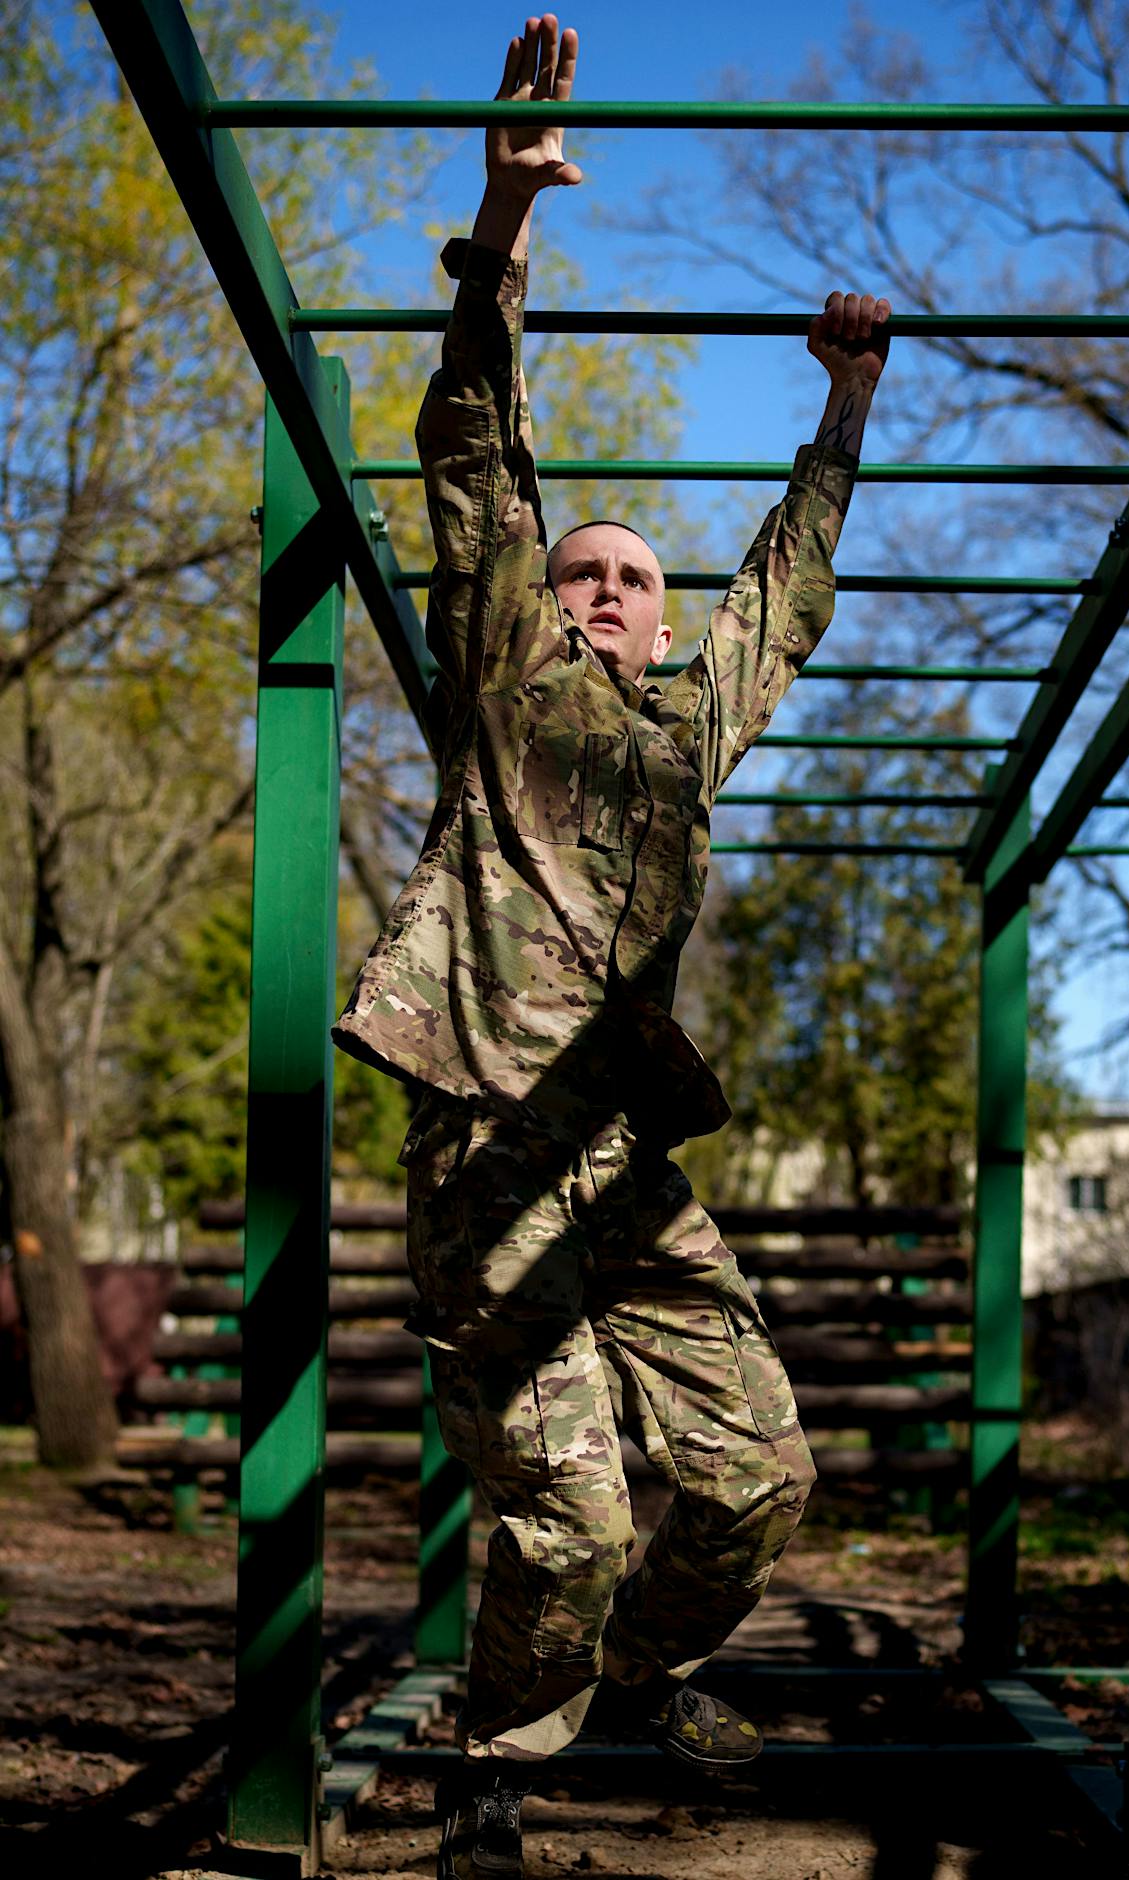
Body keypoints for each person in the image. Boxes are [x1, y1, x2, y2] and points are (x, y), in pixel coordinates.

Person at [331, 17, 890, 1875]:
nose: (613, 591)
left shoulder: (686, 732)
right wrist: (502, 208)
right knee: (563, 1512)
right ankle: (500, 1751)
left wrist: (844, 403)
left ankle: (631, 1678)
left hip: (622, 1152)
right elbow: (472, 448)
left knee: (757, 1479)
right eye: (590, 571)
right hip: (486, 1136)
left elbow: (787, 608)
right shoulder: (507, 680)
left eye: (639, 578)